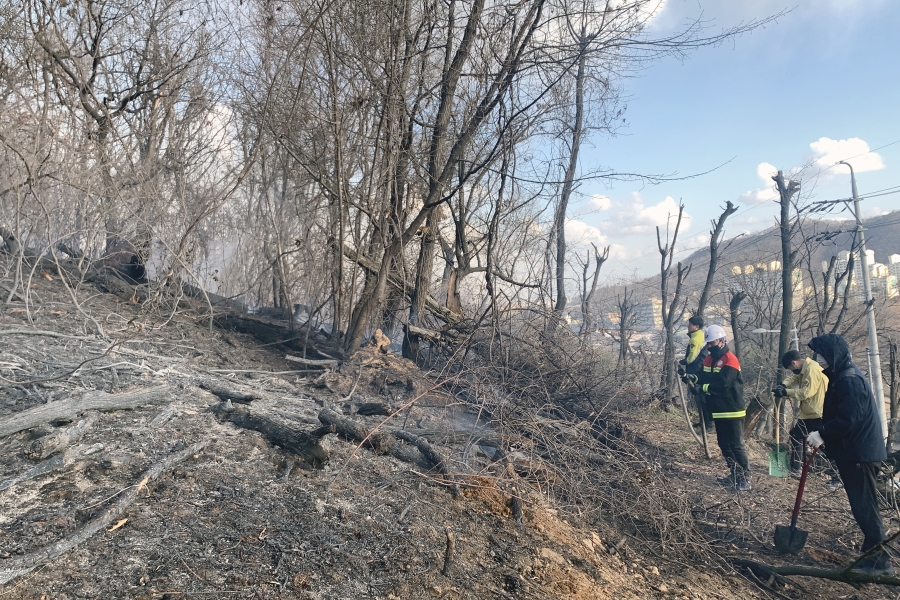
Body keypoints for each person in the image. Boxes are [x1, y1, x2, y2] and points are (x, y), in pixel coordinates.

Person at [806, 333, 892, 576]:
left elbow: (848, 419)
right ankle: (873, 550)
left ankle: (879, 562)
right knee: (863, 505)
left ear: (833, 354)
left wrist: (822, 434)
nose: (821, 360)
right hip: (856, 451)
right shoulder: (844, 375)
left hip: (859, 453)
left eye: (823, 355)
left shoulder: (849, 379)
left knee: (865, 506)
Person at [689, 324, 750, 491]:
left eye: (712, 343)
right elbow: (703, 375)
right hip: (718, 409)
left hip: (732, 409)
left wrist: (702, 388)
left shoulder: (731, 360)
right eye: (708, 344)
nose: (709, 347)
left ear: (722, 341)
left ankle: (745, 478)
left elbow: (723, 385)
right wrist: (693, 377)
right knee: (724, 444)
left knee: (736, 444)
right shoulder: (709, 359)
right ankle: (734, 474)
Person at [775, 349, 828, 476]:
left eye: (790, 368)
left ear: (794, 363)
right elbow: (794, 379)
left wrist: (786, 392)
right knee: (796, 435)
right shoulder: (805, 369)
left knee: (826, 443)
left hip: (817, 413)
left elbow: (806, 392)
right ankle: (796, 468)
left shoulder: (812, 369)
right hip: (809, 413)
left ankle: (835, 474)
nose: (791, 371)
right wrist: (783, 385)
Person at [678, 316, 711, 431]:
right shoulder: (700, 336)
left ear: (696, 327)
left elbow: (691, 358)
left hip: (696, 370)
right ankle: (704, 422)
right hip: (700, 369)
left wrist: (681, 362)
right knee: (700, 398)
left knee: (702, 398)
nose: (688, 326)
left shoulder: (695, 339)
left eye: (690, 324)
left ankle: (708, 425)